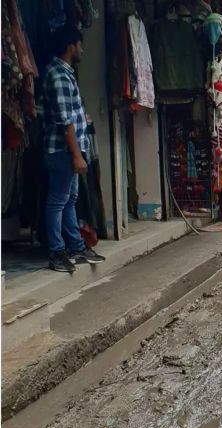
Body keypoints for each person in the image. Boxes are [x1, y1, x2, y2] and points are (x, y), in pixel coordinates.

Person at [43, 26, 105, 272]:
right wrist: (77, 155)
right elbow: (64, 121)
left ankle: (77, 247)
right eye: (80, 45)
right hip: (62, 151)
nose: (82, 49)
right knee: (58, 201)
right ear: (71, 46)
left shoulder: (65, 73)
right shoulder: (58, 76)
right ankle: (57, 251)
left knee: (70, 200)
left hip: (70, 149)